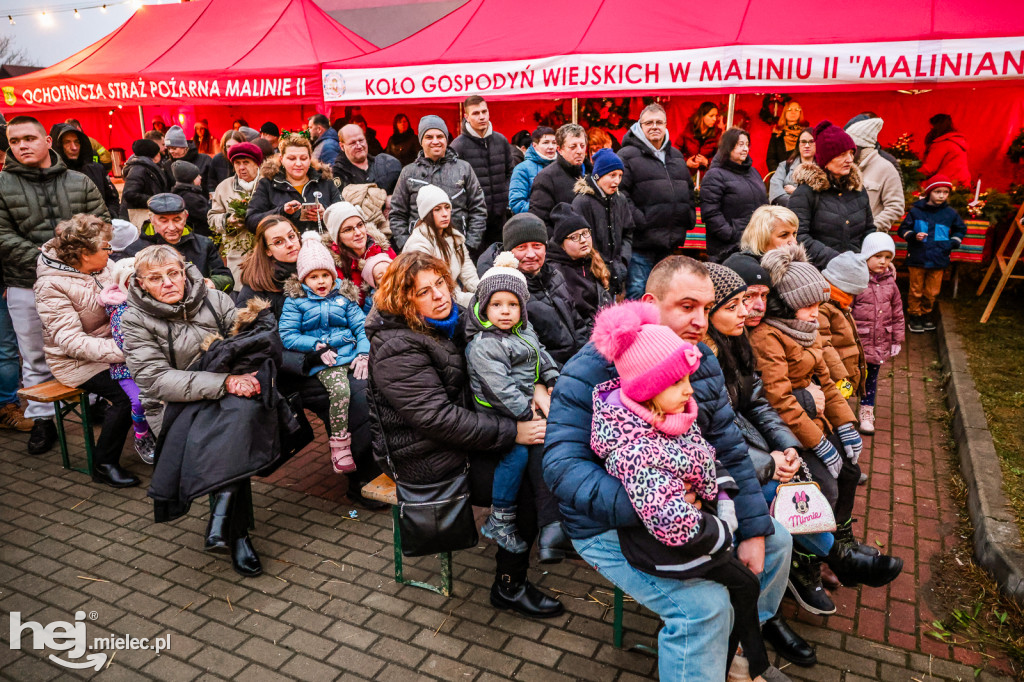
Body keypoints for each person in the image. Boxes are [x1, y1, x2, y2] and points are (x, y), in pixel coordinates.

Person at [544, 255, 807, 680]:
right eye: (687, 307)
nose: (701, 321)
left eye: (707, 308)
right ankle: (711, 645)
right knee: (703, 608)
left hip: (690, 503)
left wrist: (754, 529)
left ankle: (739, 649)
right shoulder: (591, 367)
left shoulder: (698, 359)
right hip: (606, 522)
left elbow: (729, 446)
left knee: (775, 540)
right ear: (651, 303)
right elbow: (561, 468)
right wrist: (652, 501)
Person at [589, 300, 791, 682]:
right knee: (731, 592)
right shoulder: (637, 450)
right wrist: (724, 531)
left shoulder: (673, 415)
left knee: (756, 569)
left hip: (703, 520)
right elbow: (671, 522)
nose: (688, 391)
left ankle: (743, 658)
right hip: (665, 542)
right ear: (648, 389)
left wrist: (725, 499)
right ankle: (743, 659)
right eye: (677, 383)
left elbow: (708, 456)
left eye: (688, 380)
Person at [366, 251, 563, 617]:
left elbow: (516, 347)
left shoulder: (453, 317)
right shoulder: (396, 346)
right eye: (424, 291)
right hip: (423, 456)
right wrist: (512, 431)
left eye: (440, 283)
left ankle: (553, 528)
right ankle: (510, 585)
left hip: (466, 432)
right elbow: (436, 418)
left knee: (542, 447)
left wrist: (539, 384)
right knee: (525, 478)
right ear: (404, 300)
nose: (439, 295)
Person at [750, 244, 903, 592]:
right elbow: (780, 399)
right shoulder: (768, 337)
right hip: (790, 430)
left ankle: (840, 548)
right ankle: (807, 564)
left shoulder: (806, 329)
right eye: (809, 306)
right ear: (787, 304)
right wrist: (820, 443)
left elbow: (828, 384)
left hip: (814, 421)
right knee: (824, 487)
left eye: (819, 305)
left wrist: (847, 426)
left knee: (848, 472)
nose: (816, 313)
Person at [120, 245, 267, 577]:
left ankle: (225, 523)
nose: (168, 283)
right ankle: (236, 533)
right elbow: (155, 379)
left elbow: (245, 342)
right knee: (231, 434)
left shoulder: (215, 299)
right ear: (141, 283)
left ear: (184, 272)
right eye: (155, 278)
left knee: (235, 424)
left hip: (228, 392)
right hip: (174, 405)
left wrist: (243, 369)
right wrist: (224, 382)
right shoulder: (134, 318)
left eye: (173, 273)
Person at [237, 215, 384, 509]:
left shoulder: (318, 267)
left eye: (292, 236)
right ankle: (361, 479)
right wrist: (308, 358)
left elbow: (348, 315)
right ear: (267, 250)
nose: (289, 244)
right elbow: (261, 344)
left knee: (372, 383)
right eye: (279, 242)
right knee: (353, 395)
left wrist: (358, 348)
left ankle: (375, 462)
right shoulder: (256, 290)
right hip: (293, 370)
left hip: (335, 355)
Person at [0, 115, 110, 455]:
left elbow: (103, 223)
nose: (22, 146)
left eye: (29, 138)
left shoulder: (79, 181)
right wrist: (48, 259)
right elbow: (2, 235)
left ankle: (94, 403)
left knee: (92, 342)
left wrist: (75, 261)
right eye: (15, 141)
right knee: (35, 356)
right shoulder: (2, 185)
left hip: (83, 281)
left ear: (48, 141)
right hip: (25, 283)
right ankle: (43, 418)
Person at [33, 214, 139, 487]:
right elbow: (70, 341)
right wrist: (126, 350)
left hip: (117, 348)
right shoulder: (50, 285)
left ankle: (155, 442)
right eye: (105, 247)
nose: (110, 251)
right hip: (76, 362)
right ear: (84, 253)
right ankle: (104, 464)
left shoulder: (104, 266)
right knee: (126, 397)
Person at [466, 253, 560, 554]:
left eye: (513, 304)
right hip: (498, 411)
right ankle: (500, 518)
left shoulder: (524, 331)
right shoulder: (484, 345)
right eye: (496, 304)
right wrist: (526, 413)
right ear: (484, 307)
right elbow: (500, 389)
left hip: (524, 401)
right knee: (516, 455)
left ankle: (553, 521)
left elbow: (540, 352)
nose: (505, 311)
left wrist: (550, 377)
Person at [279, 232, 369, 474]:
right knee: (340, 390)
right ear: (303, 279)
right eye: (314, 276)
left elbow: (361, 327)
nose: (321, 282)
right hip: (326, 359)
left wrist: (364, 353)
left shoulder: (344, 297)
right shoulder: (295, 301)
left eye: (325, 275)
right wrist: (314, 344)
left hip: (351, 352)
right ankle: (340, 444)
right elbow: (288, 334)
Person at [477, 214, 589, 367]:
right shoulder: (504, 291)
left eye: (537, 246)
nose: (530, 254)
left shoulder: (554, 275)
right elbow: (526, 350)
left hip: (578, 361)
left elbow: (578, 324)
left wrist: (586, 358)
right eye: (521, 247)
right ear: (508, 252)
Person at [617, 103, 695, 300]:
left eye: (659, 122)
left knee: (666, 296)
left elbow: (688, 189)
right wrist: (640, 221)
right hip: (641, 244)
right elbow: (620, 194)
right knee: (638, 293)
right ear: (640, 126)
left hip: (670, 242)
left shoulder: (676, 156)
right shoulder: (626, 155)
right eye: (649, 123)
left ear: (666, 125)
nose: (654, 127)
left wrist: (689, 217)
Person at [390, 115, 487, 251]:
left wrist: (469, 245)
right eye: (429, 137)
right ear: (421, 141)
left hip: (458, 249)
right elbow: (397, 214)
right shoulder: (408, 173)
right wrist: (407, 246)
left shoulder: (464, 169)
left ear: (446, 139)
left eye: (440, 136)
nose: (435, 141)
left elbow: (478, 210)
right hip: (420, 251)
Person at [790, 121, 875, 269]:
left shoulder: (858, 189)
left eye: (851, 153)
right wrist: (837, 260)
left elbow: (869, 230)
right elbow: (798, 236)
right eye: (842, 154)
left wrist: (878, 255)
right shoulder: (805, 193)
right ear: (826, 159)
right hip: (819, 272)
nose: (849, 159)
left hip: (856, 270)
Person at [96, 257, 157, 463]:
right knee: (139, 401)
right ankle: (141, 434)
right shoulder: (121, 310)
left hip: (153, 364)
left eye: (140, 281)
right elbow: (124, 343)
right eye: (131, 282)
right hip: (126, 368)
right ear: (123, 283)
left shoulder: (154, 302)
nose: (137, 286)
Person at [123, 193, 233, 292]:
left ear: (186, 217)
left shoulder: (204, 244)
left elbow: (226, 278)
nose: (171, 227)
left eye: (177, 220)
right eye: (164, 221)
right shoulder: (135, 251)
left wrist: (213, 283)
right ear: (151, 220)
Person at [898, 174, 966, 333]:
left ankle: (926, 314)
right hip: (918, 256)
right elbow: (903, 229)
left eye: (945, 192)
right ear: (929, 192)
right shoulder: (916, 211)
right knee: (916, 289)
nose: (942, 195)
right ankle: (915, 315)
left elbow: (960, 229)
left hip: (939, 257)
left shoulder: (950, 213)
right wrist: (914, 236)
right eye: (937, 191)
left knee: (932, 291)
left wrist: (952, 242)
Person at [852, 233, 904, 433]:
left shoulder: (891, 283)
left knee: (871, 379)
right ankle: (841, 412)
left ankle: (866, 412)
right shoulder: (857, 281)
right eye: (878, 256)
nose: (883, 261)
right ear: (866, 256)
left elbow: (897, 312)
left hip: (879, 342)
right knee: (847, 377)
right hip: (857, 341)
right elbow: (846, 312)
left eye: (888, 257)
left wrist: (897, 339)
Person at [451, 96, 517, 249]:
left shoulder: (501, 140)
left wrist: (505, 196)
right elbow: (454, 185)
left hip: (501, 218)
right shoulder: (458, 146)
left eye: (484, 111)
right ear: (466, 117)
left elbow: (511, 172)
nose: (481, 117)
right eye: (475, 113)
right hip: (473, 221)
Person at [246, 134, 341, 234]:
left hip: (323, 242)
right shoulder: (267, 184)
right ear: (281, 159)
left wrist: (326, 213)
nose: (298, 164)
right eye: (292, 159)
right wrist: (282, 212)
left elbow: (344, 213)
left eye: (303, 158)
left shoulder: (325, 181)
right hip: (285, 243)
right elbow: (251, 221)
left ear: (310, 159)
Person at [402, 185, 479, 307]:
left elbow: (469, 273)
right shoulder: (418, 245)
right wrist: (472, 300)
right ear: (427, 214)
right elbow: (432, 288)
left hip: (453, 297)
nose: (445, 214)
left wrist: (485, 292)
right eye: (437, 209)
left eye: (447, 207)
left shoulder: (454, 237)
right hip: (432, 302)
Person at [570, 148, 633, 294]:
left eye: (620, 175)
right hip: (590, 276)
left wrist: (622, 261)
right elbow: (577, 240)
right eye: (612, 175)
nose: (617, 181)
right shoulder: (582, 202)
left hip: (616, 274)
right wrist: (596, 265)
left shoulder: (620, 199)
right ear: (598, 176)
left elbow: (628, 233)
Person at [701, 128, 768, 262]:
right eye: (740, 144)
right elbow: (711, 213)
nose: (745, 149)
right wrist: (733, 235)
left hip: (756, 244)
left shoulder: (753, 172)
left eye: (747, 144)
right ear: (728, 146)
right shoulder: (715, 175)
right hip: (727, 249)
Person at [546, 204, 612, 327]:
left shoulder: (593, 260)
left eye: (585, 233)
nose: (583, 240)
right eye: (574, 237)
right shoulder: (556, 272)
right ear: (562, 245)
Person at [209, 141, 263, 289]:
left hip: (265, 252)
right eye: (237, 163)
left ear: (257, 164)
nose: (241, 167)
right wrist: (228, 220)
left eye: (246, 162)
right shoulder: (224, 187)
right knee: (240, 294)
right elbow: (212, 217)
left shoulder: (267, 184)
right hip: (237, 255)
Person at [323, 202, 395, 310]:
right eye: (348, 229)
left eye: (360, 225)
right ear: (337, 237)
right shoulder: (332, 263)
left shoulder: (382, 247)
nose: (358, 232)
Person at [818, 253, 869, 405]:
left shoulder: (840, 304)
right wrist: (840, 376)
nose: (852, 297)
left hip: (843, 372)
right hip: (833, 377)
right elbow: (823, 344)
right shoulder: (824, 307)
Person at [846, 118, 905, 233]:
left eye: (851, 149)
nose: (847, 153)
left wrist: (872, 228)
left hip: (870, 238)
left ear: (861, 147)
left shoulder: (886, 168)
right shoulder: (846, 166)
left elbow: (895, 206)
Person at [52, 124, 120, 218]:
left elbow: (112, 199)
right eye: (67, 142)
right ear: (58, 146)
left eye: (77, 142)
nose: (74, 147)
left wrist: (109, 216)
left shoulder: (97, 169)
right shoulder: (51, 174)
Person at [529, 123, 588, 227]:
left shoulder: (592, 173)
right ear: (560, 149)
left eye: (582, 146)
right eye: (573, 147)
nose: (579, 151)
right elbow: (539, 222)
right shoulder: (546, 178)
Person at [332, 124, 401, 195]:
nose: (359, 146)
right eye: (353, 143)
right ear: (342, 146)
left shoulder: (387, 164)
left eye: (361, 140)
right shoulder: (337, 173)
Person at [508, 126, 557, 215]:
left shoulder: (562, 166)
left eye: (554, 143)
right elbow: (517, 204)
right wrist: (542, 211)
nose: (551, 147)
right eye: (545, 142)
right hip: (535, 220)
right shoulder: (522, 169)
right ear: (535, 145)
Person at [121, 138, 168, 226]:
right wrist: (154, 200)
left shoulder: (148, 167)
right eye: (157, 152)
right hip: (139, 214)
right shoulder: (138, 169)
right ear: (153, 155)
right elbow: (129, 194)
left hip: (148, 212)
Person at [919, 114, 970, 187]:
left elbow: (929, 169)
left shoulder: (941, 144)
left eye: (931, 128)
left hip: (945, 185)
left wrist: (911, 174)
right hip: (962, 183)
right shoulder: (957, 141)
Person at [162, 125, 214, 196]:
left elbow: (212, 182)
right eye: (168, 148)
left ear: (184, 147)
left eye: (174, 148)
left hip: (203, 201)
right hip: (180, 202)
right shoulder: (167, 165)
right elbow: (167, 189)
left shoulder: (205, 160)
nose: (171, 151)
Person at [769, 127, 815, 207]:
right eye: (803, 142)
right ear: (798, 144)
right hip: (787, 211)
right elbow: (775, 192)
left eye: (811, 141)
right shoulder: (785, 166)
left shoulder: (824, 168)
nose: (807, 145)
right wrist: (795, 203)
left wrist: (796, 191)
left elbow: (823, 197)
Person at [676, 101, 721, 173]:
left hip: (708, 175)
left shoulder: (718, 134)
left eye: (716, 116)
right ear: (702, 116)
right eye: (711, 116)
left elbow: (721, 158)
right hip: (687, 174)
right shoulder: (687, 131)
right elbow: (675, 152)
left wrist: (707, 162)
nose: (714, 119)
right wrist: (686, 162)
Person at [170, 160, 211, 237]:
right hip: (199, 235)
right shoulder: (190, 198)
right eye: (197, 176)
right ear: (190, 179)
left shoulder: (183, 193)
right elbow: (207, 216)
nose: (200, 177)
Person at [765, 101, 808, 173]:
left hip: (801, 175)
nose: (793, 112)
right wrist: (778, 175)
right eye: (789, 109)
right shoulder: (777, 133)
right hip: (781, 175)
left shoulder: (806, 133)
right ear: (784, 112)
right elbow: (771, 159)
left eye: (797, 110)